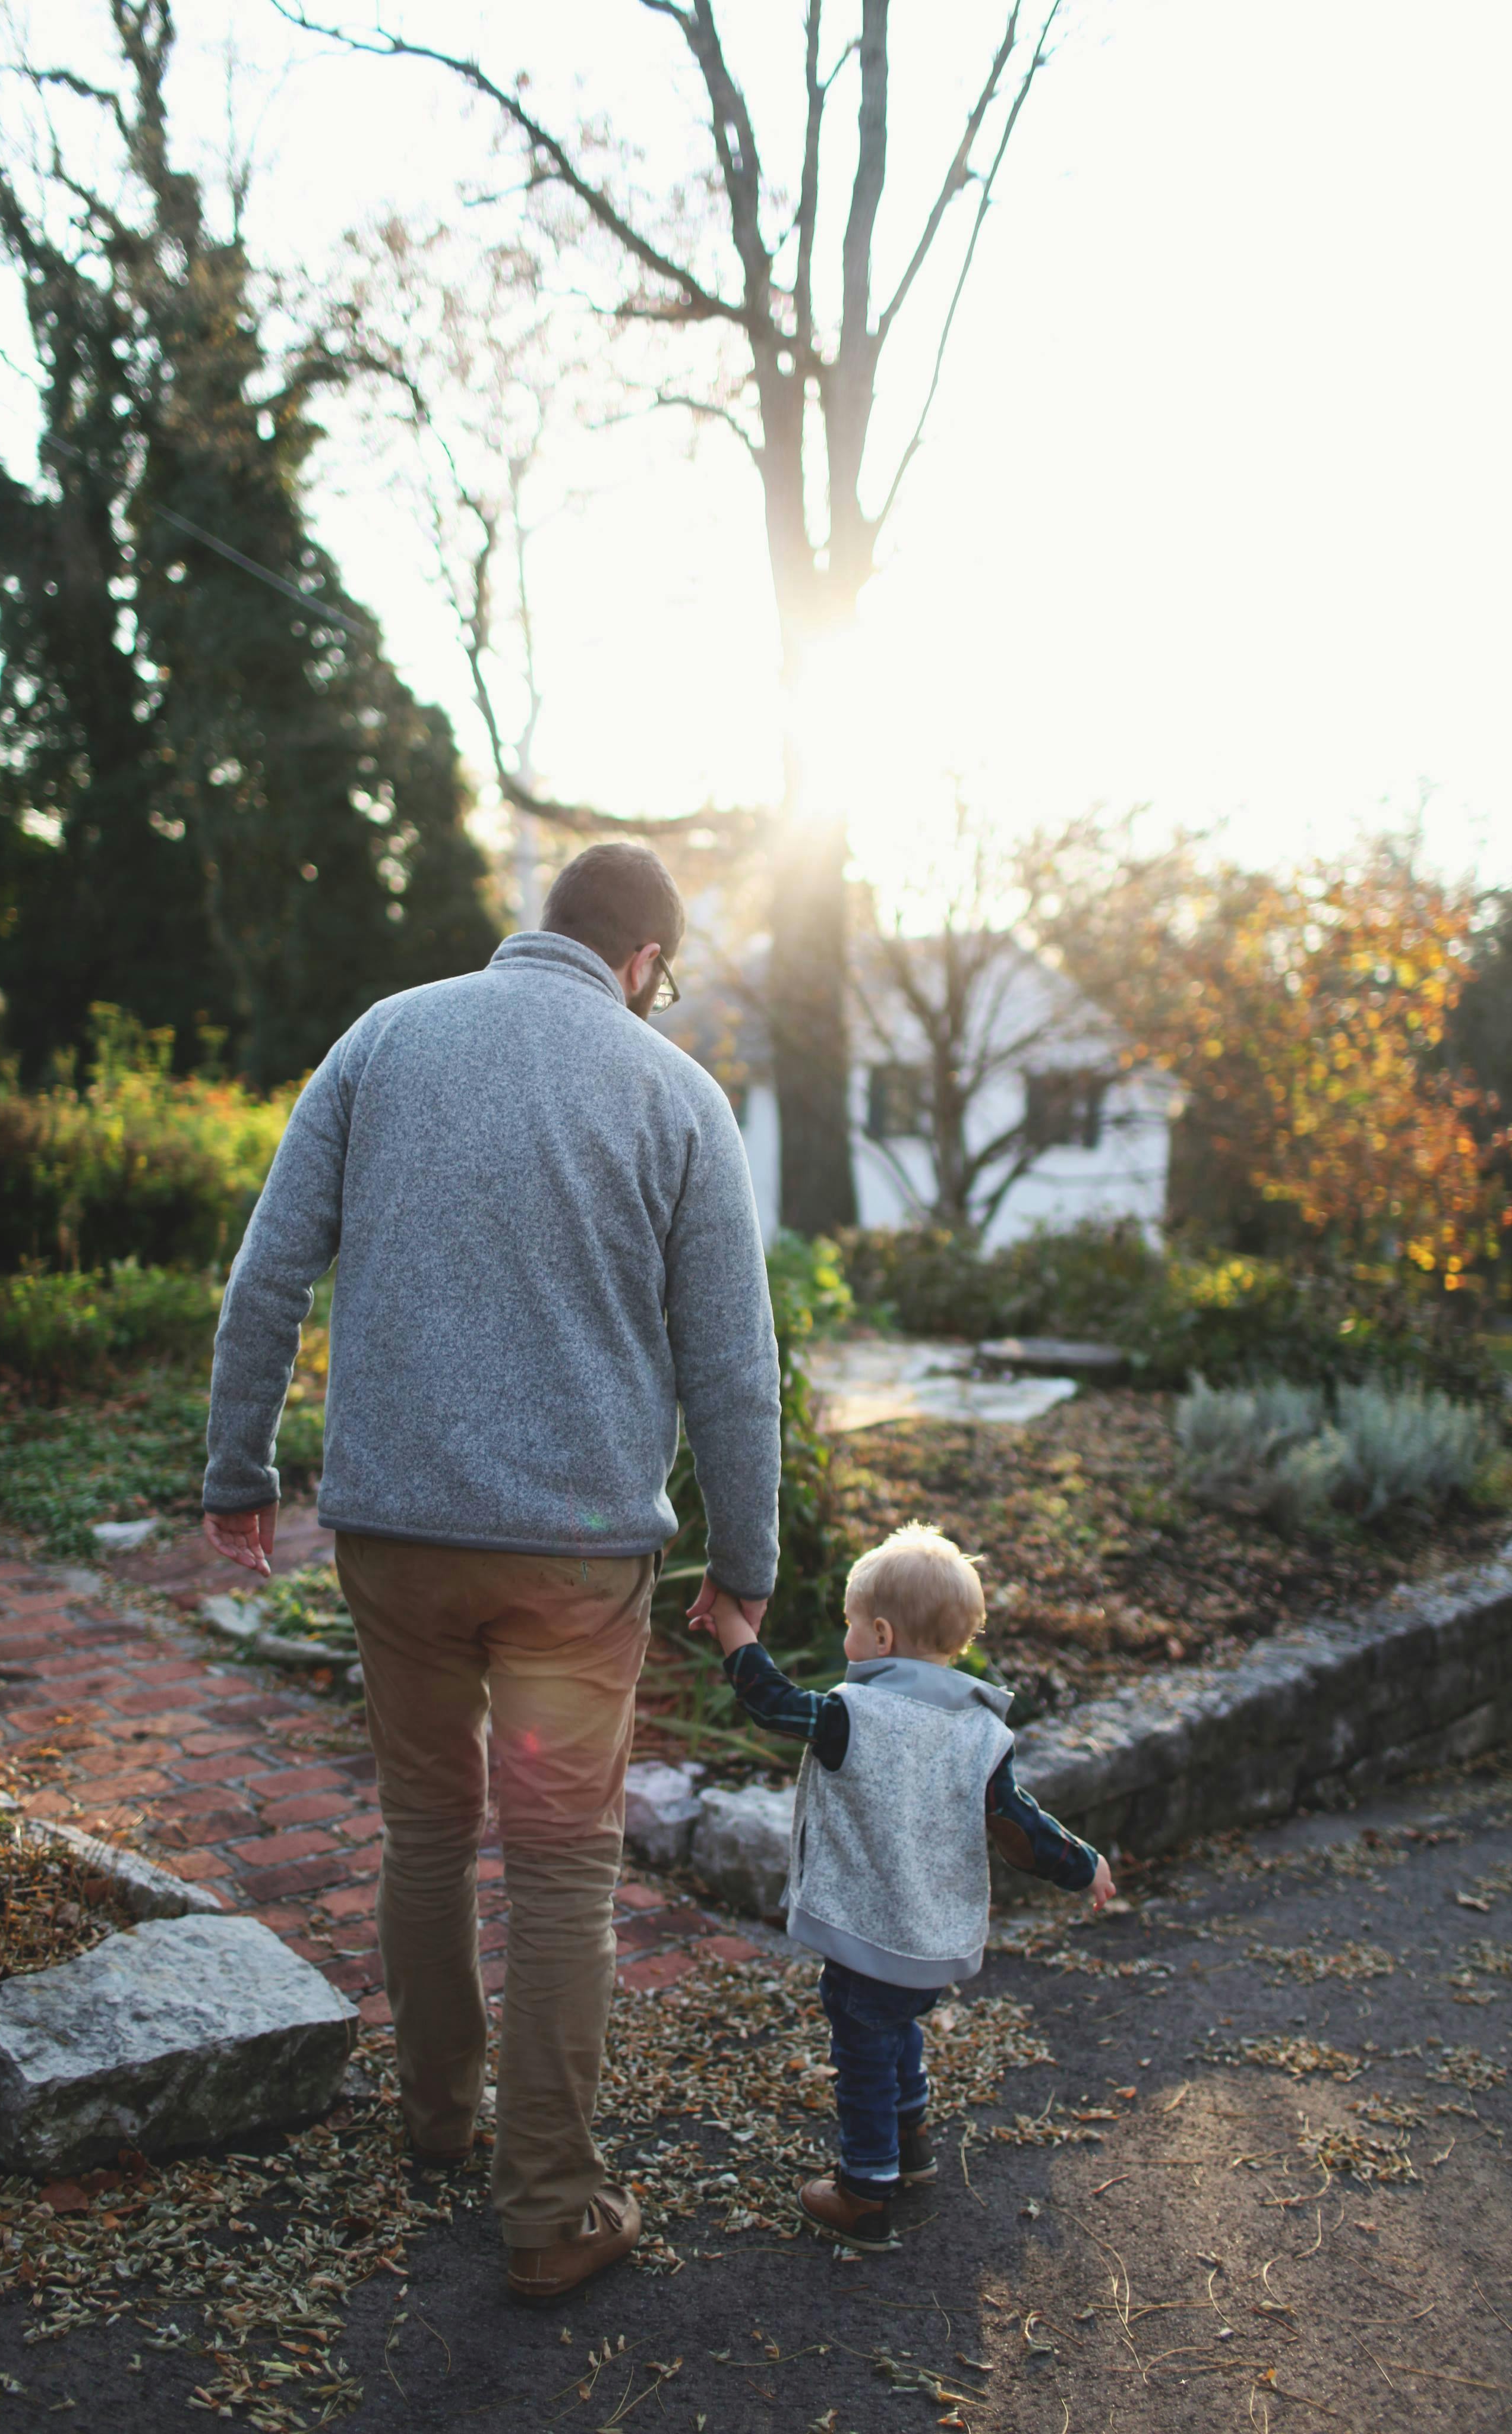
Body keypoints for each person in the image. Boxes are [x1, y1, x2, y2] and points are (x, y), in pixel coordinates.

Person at [200, 841, 781, 2303]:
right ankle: (553, 2203)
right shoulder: (678, 1096)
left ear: (548, 927)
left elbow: (270, 1273)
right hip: (579, 1560)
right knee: (565, 1870)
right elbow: (733, 1367)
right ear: (645, 961)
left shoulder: (386, 1038)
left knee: (426, 1826)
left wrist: (237, 1476)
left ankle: (435, 2121)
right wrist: (748, 1566)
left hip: (395, 1534)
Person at [699, 1522, 1113, 2250]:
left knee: (862, 2046)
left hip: (868, 1931)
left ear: (881, 1635)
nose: (847, 1639)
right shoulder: (979, 1731)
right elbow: (1019, 1823)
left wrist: (731, 1622)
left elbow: (769, 1698)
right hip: (931, 1938)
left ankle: (864, 2190)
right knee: (900, 2026)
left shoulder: (853, 1715)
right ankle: (912, 2140)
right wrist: (1084, 1863)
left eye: (851, 1626)